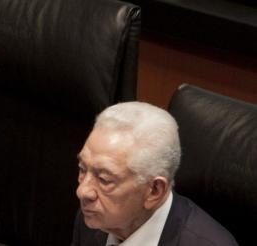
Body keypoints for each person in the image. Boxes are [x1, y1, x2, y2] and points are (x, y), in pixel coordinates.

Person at [73, 102, 238, 246]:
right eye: (82, 169)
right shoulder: (94, 219)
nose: (82, 192)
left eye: (104, 179)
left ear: (154, 191)